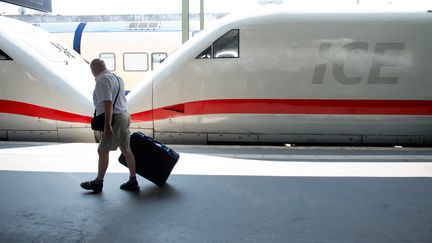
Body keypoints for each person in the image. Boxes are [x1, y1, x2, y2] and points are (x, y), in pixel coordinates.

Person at [81, 59, 139, 193]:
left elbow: (108, 103)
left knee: (102, 151)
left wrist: (107, 126)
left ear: (93, 71)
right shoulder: (117, 78)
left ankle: (98, 182)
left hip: (114, 120)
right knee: (126, 149)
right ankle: (133, 180)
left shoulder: (102, 81)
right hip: (124, 115)